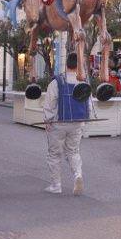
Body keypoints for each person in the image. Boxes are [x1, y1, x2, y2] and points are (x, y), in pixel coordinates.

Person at [42, 52, 89, 196]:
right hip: (77, 122)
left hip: (59, 123)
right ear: (78, 65)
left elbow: (49, 103)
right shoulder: (83, 82)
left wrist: (48, 120)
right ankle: (77, 175)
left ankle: (56, 185)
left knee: (54, 154)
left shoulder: (57, 82)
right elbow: (89, 103)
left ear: (66, 64)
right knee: (73, 151)